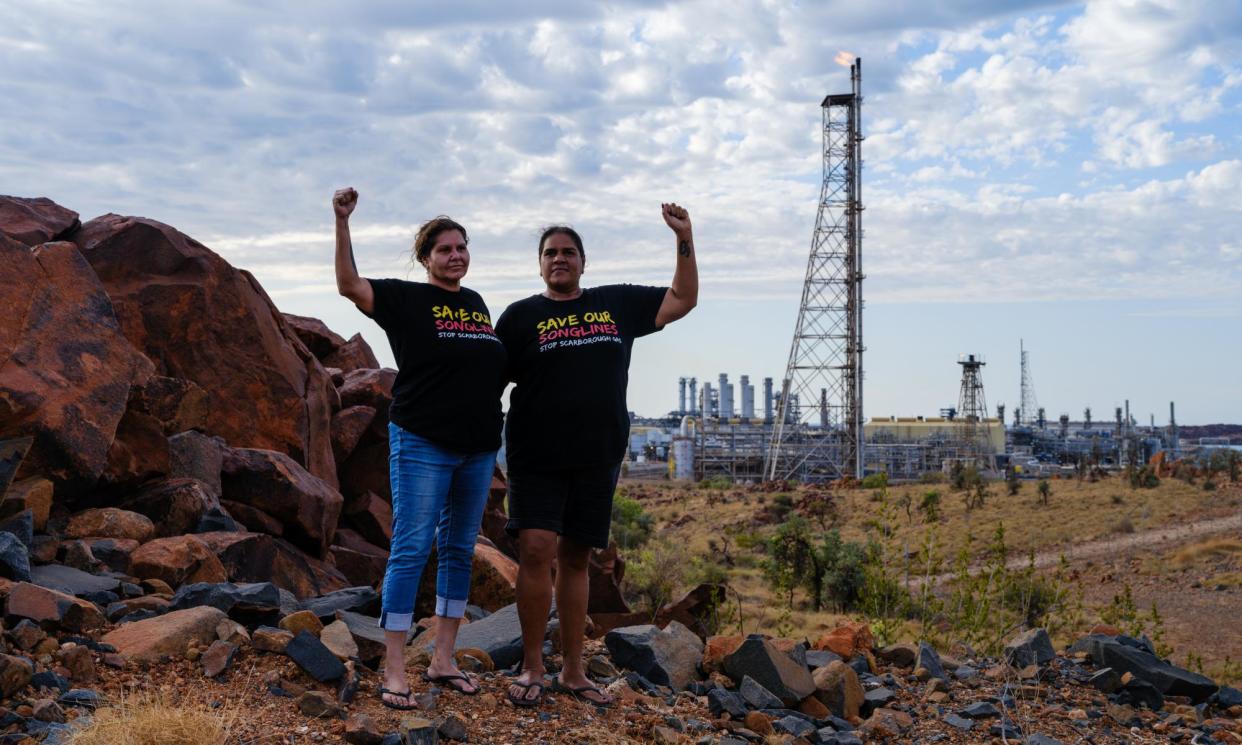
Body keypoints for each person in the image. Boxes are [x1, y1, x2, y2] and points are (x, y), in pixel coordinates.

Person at [497, 203, 698, 707]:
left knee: (576, 557)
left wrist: (684, 237)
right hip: (535, 454)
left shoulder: (616, 304)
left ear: (583, 262)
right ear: (539, 265)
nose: (559, 259)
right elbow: (485, 381)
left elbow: (683, 299)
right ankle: (532, 667)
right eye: (550, 253)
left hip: (598, 454)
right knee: (537, 550)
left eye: (568, 252)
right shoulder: (520, 317)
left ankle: (572, 670)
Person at [332, 187, 506, 710]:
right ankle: (393, 666)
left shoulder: (475, 305)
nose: (456, 255)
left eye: (462, 247)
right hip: (423, 443)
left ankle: (443, 659)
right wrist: (342, 222)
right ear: (426, 258)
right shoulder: (406, 299)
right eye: (445, 249)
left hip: (477, 448)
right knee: (411, 548)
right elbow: (348, 285)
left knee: (457, 550)